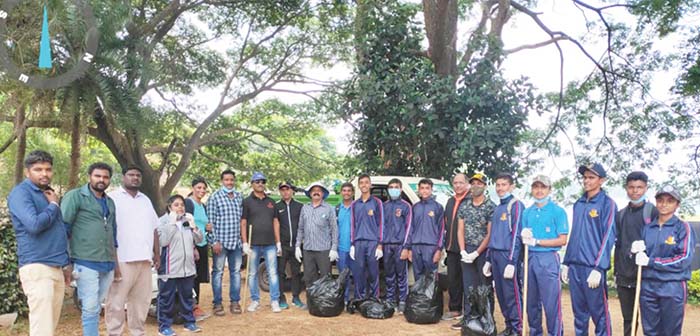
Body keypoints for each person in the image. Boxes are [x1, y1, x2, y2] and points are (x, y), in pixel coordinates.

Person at [8, 150, 70, 336]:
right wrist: (53, 205)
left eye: (48, 169)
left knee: (49, 326)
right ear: (28, 172)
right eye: (38, 169)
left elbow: (58, 231)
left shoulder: (48, 193)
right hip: (36, 266)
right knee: (42, 327)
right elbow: (34, 225)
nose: (44, 173)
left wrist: (65, 264)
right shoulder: (21, 193)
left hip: (55, 266)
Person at [61, 162, 118, 336]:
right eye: (98, 176)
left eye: (105, 177)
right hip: (85, 260)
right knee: (91, 306)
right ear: (89, 177)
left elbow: (113, 234)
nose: (101, 180)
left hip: (107, 262)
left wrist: (115, 263)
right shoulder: (76, 196)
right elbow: (63, 228)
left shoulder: (110, 202)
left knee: (96, 305)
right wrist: (66, 262)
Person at [562, 163, 617, 336]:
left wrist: (599, 267)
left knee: (599, 313)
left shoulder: (608, 204)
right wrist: (567, 262)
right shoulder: (578, 204)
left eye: (591, 177)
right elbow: (574, 234)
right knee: (579, 314)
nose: (586, 181)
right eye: (585, 177)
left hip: (592, 267)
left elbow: (609, 236)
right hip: (576, 267)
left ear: (601, 180)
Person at [633, 185, 695, 336]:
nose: (664, 204)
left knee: (671, 331)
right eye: (660, 200)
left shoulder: (683, 227)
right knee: (650, 331)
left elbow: (684, 258)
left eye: (669, 201)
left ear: (677, 204)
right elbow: (642, 257)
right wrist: (634, 252)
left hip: (672, 286)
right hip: (648, 286)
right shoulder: (648, 228)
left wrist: (652, 262)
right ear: (656, 202)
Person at [106, 165, 161, 336]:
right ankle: (114, 333)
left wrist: (157, 254)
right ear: (123, 177)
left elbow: (154, 229)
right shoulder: (112, 198)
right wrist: (111, 259)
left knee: (141, 302)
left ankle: (138, 332)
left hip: (145, 259)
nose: (135, 178)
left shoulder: (145, 200)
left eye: (138, 175)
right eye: (131, 175)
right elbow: (106, 230)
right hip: (122, 259)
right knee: (116, 301)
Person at [520, 175, 568, 336]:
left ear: (549, 189)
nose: (539, 191)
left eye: (543, 187)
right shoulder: (527, 212)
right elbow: (524, 238)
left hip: (548, 258)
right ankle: (535, 332)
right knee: (531, 302)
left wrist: (537, 241)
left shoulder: (557, 211)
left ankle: (556, 333)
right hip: (530, 258)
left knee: (551, 303)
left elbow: (562, 239)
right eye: (536, 187)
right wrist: (525, 238)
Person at [614, 171, 657, 336]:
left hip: (646, 274)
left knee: (650, 318)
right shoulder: (621, 214)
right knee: (629, 318)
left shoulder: (652, 212)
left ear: (646, 188)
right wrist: (617, 271)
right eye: (631, 187)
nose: (635, 191)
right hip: (625, 275)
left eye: (639, 187)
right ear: (626, 188)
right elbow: (618, 244)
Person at [156, 195, 204, 335]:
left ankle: (189, 323)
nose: (180, 207)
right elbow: (163, 241)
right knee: (166, 298)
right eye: (176, 205)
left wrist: (194, 227)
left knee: (187, 297)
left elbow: (199, 240)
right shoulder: (163, 221)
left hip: (187, 267)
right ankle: (164, 326)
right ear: (169, 207)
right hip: (169, 267)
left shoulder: (187, 220)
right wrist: (172, 223)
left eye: (182, 204)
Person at [484, 173, 525, 336]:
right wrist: (488, 258)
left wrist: (512, 261)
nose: (500, 188)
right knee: (500, 293)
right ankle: (509, 326)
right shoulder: (498, 207)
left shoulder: (516, 205)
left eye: (504, 185)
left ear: (511, 186)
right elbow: (493, 234)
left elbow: (516, 235)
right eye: (498, 185)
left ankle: (517, 329)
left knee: (512, 294)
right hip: (495, 255)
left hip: (507, 256)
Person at [454, 172, 496, 330]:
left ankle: (487, 319)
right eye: (473, 183)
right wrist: (463, 251)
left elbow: (490, 233)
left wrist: (477, 253)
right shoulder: (464, 205)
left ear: (484, 186)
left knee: (484, 286)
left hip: (483, 252)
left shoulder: (491, 206)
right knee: (468, 286)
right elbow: (460, 229)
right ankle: (469, 319)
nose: (476, 186)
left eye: (479, 183)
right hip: (467, 250)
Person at [240, 172, 282, 313]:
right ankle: (255, 300)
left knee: (273, 273)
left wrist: (278, 242)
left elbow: (275, 222)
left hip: (270, 243)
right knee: (252, 273)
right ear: (252, 184)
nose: (260, 184)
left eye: (262, 181)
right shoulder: (246, 201)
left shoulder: (271, 202)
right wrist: (245, 242)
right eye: (257, 181)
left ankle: (274, 300)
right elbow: (243, 222)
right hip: (253, 244)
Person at [207, 169, 244, 316]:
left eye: (231, 180)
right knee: (218, 273)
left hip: (236, 243)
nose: (229, 182)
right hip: (220, 243)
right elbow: (210, 222)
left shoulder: (239, 197)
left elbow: (242, 220)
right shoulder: (215, 197)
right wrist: (214, 241)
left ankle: (234, 302)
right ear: (222, 181)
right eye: (226, 180)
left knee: (235, 273)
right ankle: (217, 303)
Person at [295, 182, 338, 287]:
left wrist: (334, 248)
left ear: (323, 194)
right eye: (314, 190)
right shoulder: (305, 208)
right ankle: (311, 303)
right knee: (309, 279)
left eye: (319, 190)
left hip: (324, 250)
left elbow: (334, 230)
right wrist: (297, 246)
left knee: (325, 280)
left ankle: (325, 304)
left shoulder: (329, 208)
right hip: (308, 250)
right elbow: (300, 229)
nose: (316, 192)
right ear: (310, 193)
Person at [350, 174, 384, 299]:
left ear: (370, 185)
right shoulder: (355, 204)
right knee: (359, 273)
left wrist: (380, 244)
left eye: (366, 182)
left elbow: (381, 223)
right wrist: (352, 244)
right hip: (358, 243)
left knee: (373, 273)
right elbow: (353, 225)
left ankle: (374, 299)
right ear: (359, 186)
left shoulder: (377, 203)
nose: (364, 185)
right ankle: (360, 299)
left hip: (372, 243)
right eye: (361, 183)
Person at [381, 178, 412, 313]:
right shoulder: (384, 206)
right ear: (388, 189)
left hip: (400, 245)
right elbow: (380, 226)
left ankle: (403, 301)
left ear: (400, 189)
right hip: (387, 245)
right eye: (391, 187)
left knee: (401, 275)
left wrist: (406, 247)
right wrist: (380, 244)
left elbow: (409, 227)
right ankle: (390, 300)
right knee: (389, 274)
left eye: (396, 187)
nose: (394, 189)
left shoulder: (406, 206)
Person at [442, 173, 470, 321]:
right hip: (451, 247)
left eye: (461, 182)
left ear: (466, 184)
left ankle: (469, 310)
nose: (458, 185)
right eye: (455, 183)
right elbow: (446, 223)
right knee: (453, 279)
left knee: (468, 280)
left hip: (467, 249)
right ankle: (455, 309)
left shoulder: (471, 200)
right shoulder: (450, 201)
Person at [184, 177, 212, 320]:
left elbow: (203, 225)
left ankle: (196, 305)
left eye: (203, 188)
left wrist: (208, 228)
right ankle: (190, 306)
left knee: (198, 277)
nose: (201, 190)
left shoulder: (203, 205)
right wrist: (192, 246)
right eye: (199, 187)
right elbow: (187, 225)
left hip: (202, 244)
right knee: (191, 277)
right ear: (193, 188)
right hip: (192, 245)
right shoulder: (189, 203)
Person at [275, 181, 304, 309]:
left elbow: (303, 226)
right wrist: (278, 244)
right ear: (280, 192)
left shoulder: (300, 206)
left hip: (296, 246)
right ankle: (281, 298)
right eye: (283, 190)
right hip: (283, 246)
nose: (285, 192)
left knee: (296, 272)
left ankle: (296, 297)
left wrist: (299, 244)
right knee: (280, 272)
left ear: (292, 191)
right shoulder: (276, 206)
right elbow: (275, 225)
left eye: (288, 189)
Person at [407, 179, 444, 279]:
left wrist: (439, 249)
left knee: (430, 277)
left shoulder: (438, 207)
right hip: (416, 246)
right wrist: (409, 248)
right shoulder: (415, 207)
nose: (424, 191)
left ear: (431, 190)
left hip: (431, 247)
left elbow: (442, 229)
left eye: (427, 188)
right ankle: (418, 295)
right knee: (418, 276)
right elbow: (410, 228)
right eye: (422, 188)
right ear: (419, 190)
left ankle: (430, 295)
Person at [336, 182, 355, 303]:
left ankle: (357, 299)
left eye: (349, 190)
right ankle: (345, 299)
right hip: (341, 248)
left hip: (355, 248)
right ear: (341, 193)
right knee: (343, 275)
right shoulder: (337, 209)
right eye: (344, 190)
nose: (346, 193)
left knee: (358, 275)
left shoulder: (357, 207)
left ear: (352, 192)